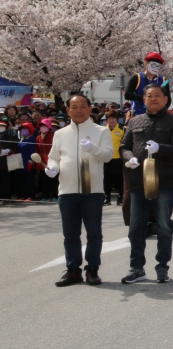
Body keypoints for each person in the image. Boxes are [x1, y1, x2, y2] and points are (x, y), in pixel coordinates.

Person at [119, 84, 173, 284]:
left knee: (164, 227)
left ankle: (162, 267)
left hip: (163, 182)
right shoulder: (134, 121)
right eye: (149, 96)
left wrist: (159, 148)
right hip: (138, 182)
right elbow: (124, 146)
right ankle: (136, 267)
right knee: (136, 228)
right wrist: (129, 158)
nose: (153, 99)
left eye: (158, 95)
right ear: (144, 99)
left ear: (166, 99)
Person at [46, 94, 114, 287]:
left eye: (82, 106)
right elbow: (54, 158)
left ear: (90, 108)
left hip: (92, 190)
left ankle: (92, 269)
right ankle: (73, 271)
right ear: (67, 110)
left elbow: (108, 156)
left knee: (93, 233)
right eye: (74, 107)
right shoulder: (60, 134)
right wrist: (52, 168)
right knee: (70, 234)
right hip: (66, 191)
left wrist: (93, 148)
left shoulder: (100, 131)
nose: (78, 110)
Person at [123, 52, 171, 116]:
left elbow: (168, 99)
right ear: (146, 63)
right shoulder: (137, 77)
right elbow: (127, 95)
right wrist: (145, 98)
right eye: (153, 65)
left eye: (158, 66)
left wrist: (163, 111)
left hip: (158, 115)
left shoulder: (164, 80)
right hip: (138, 114)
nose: (155, 68)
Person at [103, 112, 124, 206]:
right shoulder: (103, 130)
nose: (111, 120)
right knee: (107, 179)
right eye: (109, 118)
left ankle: (121, 197)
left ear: (117, 119)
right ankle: (107, 197)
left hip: (118, 158)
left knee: (120, 179)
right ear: (106, 120)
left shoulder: (122, 129)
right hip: (106, 157)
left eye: (113, 118)